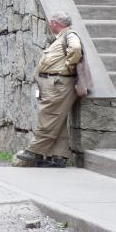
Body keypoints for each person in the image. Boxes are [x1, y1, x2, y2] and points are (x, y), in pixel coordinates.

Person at [16, 11, 82, 168]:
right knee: (57, 120)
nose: (50, 24)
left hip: (58, 84)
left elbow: (76, 48)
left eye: (51, 22)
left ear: (55, 23)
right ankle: (59, 157)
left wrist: (68, 65)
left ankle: (35, 150)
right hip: (54, 84)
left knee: (48, 116)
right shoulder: (61, 37)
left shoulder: (69, 35)